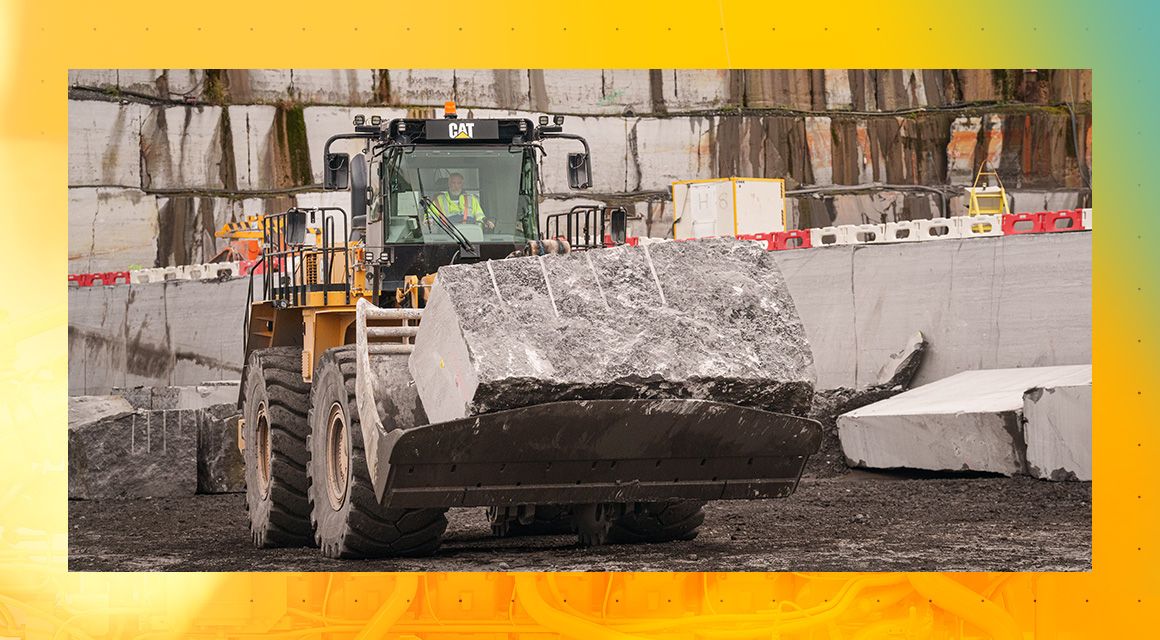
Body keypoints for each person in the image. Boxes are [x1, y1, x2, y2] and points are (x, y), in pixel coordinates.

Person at [429, 172, 494, 230]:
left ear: (462, 184)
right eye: (453, 183)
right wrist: (429, 220)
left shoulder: (472, 200)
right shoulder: (438, 200)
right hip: (446, 236)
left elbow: (480, 216)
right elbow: (430, 215)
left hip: (469, 236)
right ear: (449, 184)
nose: (456, 186)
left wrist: (486, 221)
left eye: (459, 183)